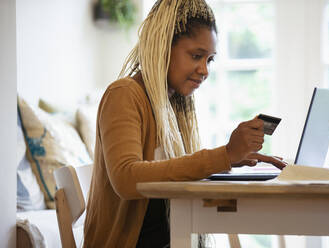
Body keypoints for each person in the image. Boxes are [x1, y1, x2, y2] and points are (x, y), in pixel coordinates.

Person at [83, 0, 287, 247]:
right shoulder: (124, 94)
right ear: (162, 46)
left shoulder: (173, 105)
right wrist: (223, 155)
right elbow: (127, 179)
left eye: (209, 59)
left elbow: (173, 171)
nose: (204, 70)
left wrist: (230, 159)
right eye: (196, 56)